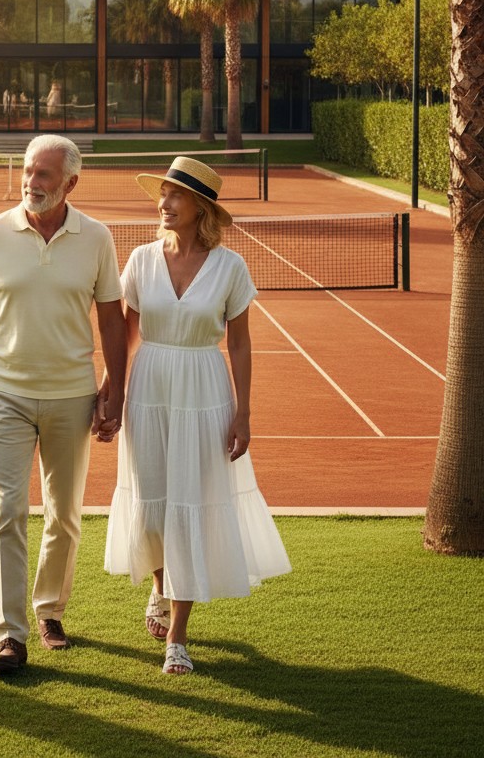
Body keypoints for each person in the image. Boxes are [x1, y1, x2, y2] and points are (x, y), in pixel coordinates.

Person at [101, 156, 291, 676]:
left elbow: (242, 343)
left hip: (205, 389)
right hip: (150, 388)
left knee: (191, 500)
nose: (163, 204)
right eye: (162, 195)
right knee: (155, 503)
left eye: (175, 196)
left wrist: (244, 412)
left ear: (200, 206)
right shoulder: (140, 259)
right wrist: (110, 391)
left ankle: (178, 638)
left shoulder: (230, 267)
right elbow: (127, 331)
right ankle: (161, 589)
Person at [0, 134, 127, 674]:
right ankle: (11, 636)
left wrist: (113, 387)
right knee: (6, 510)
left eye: (44, 174)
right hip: (3, 391)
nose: (32, 182)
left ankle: (49, 610)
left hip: (73, 394)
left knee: (65, 514)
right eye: (28, 171)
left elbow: (113, 318)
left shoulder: (96, 238)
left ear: (71, 182)